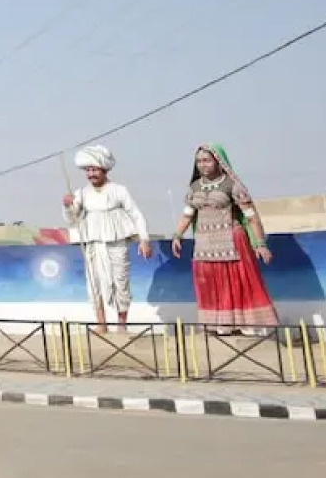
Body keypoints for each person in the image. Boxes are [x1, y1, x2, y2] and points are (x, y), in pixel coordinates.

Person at [172, 143, 278, 335]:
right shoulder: (194, 187)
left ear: (218, 162)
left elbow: (251, 217)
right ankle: (219, 326)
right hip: (205, 245)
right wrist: (177, 235)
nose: (202, 165)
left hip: (232, 242)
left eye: (206, 160)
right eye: (198, 162)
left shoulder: (232, 185)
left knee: (236, 282)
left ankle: (245, 325)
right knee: (212, 285)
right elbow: (187, 215)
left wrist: (260, 244)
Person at [61, 145, 154, 333]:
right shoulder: (81, 193)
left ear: (104, 169)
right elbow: (72, 218)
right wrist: (67, 205)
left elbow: (136, 214)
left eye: (94, 169)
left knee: (121, 282)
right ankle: (101, 325)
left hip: (116, 244)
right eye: (88, 170)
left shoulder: (119, 190)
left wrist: (144, 239)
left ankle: (121, 325)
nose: (91, 174)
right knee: (94, 284)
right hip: (93, 245)